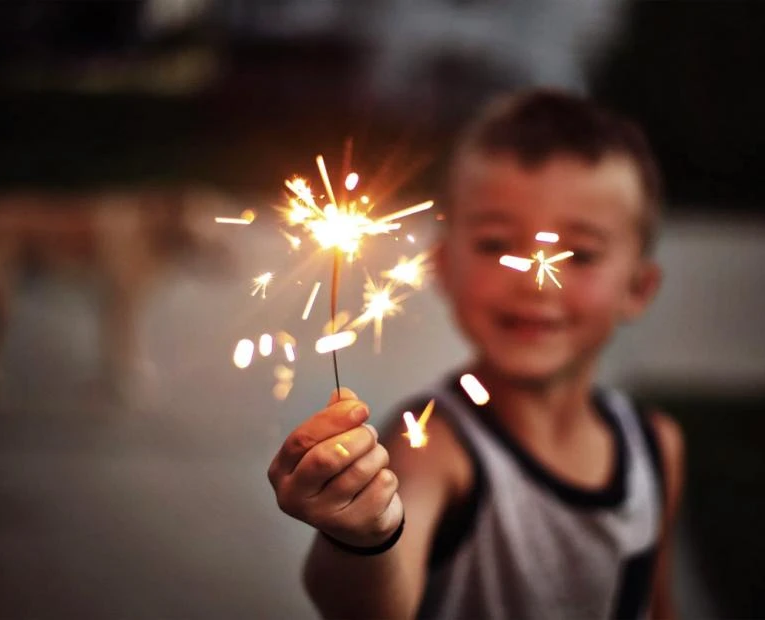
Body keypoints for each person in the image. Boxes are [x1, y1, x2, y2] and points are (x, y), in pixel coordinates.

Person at [267, 89, 685, 619]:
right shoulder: (432, 449)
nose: (536, 282)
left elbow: (656, 602)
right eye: (496, 245)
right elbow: (376, 607)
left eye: (578, 254)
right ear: (442, 266)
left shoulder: (656, 445)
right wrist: (362, 535)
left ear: (639, 288)